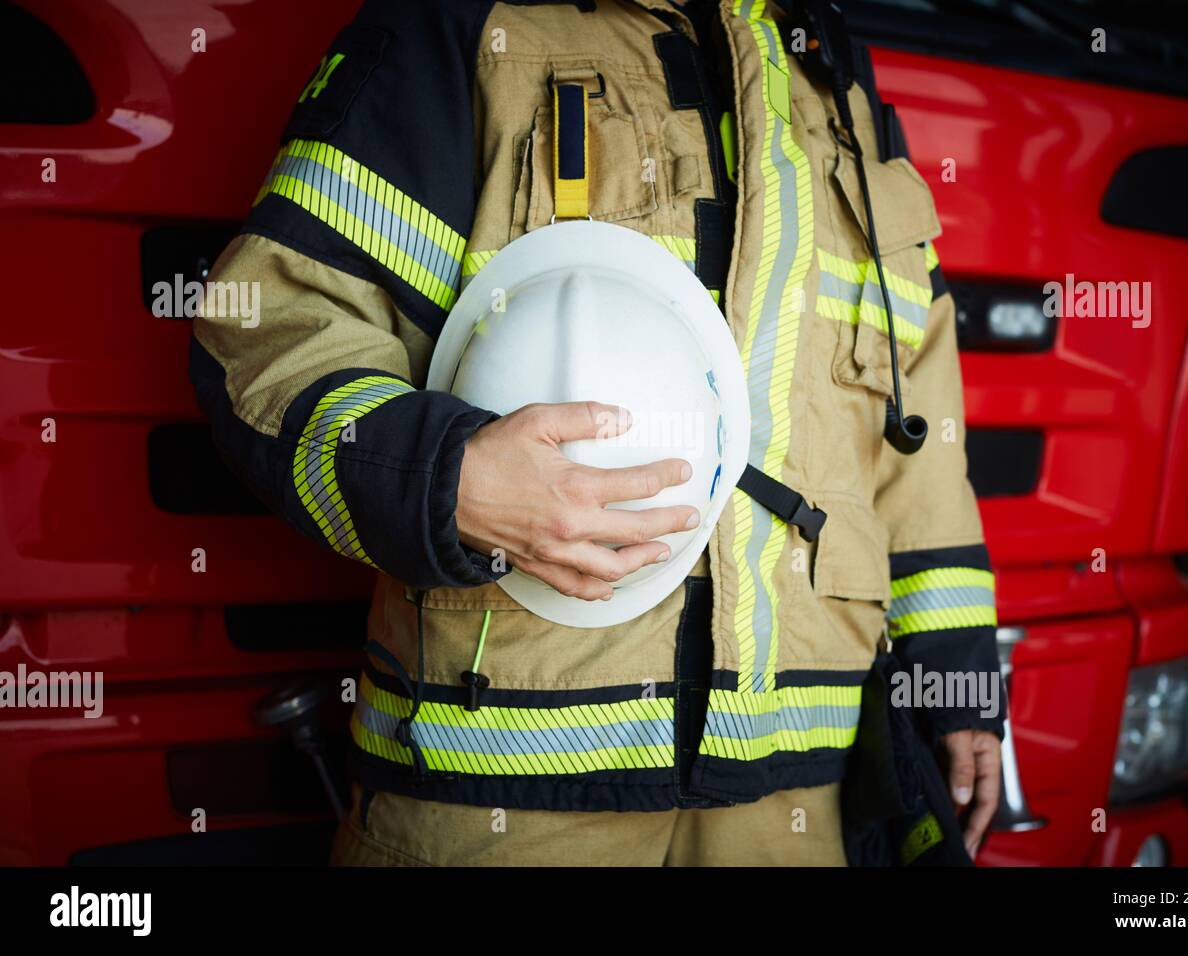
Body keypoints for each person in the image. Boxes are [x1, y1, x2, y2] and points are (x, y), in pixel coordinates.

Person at [191, 0, 1004, 866]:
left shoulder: (829, 77)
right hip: (498, 796)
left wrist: (950, 683)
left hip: (797, 801)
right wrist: (445, 481)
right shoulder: (465, 27)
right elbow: (269, 327)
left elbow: (912, 435)